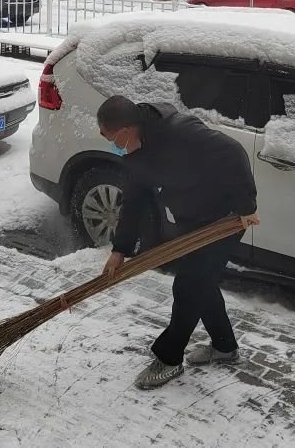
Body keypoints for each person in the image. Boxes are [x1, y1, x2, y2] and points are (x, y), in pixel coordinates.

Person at [97, 96, 260, 390]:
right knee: (202, 283)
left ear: (125, 130)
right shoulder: (137, 154)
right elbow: (133, 203)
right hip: (193, 218)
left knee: (189, 285)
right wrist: (120, 250)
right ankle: (225, 346)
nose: (116, 148)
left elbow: (233, 152)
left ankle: (169, 359)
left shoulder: (179, 133)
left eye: (114, 141)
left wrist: (246, 206)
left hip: (225, 218)